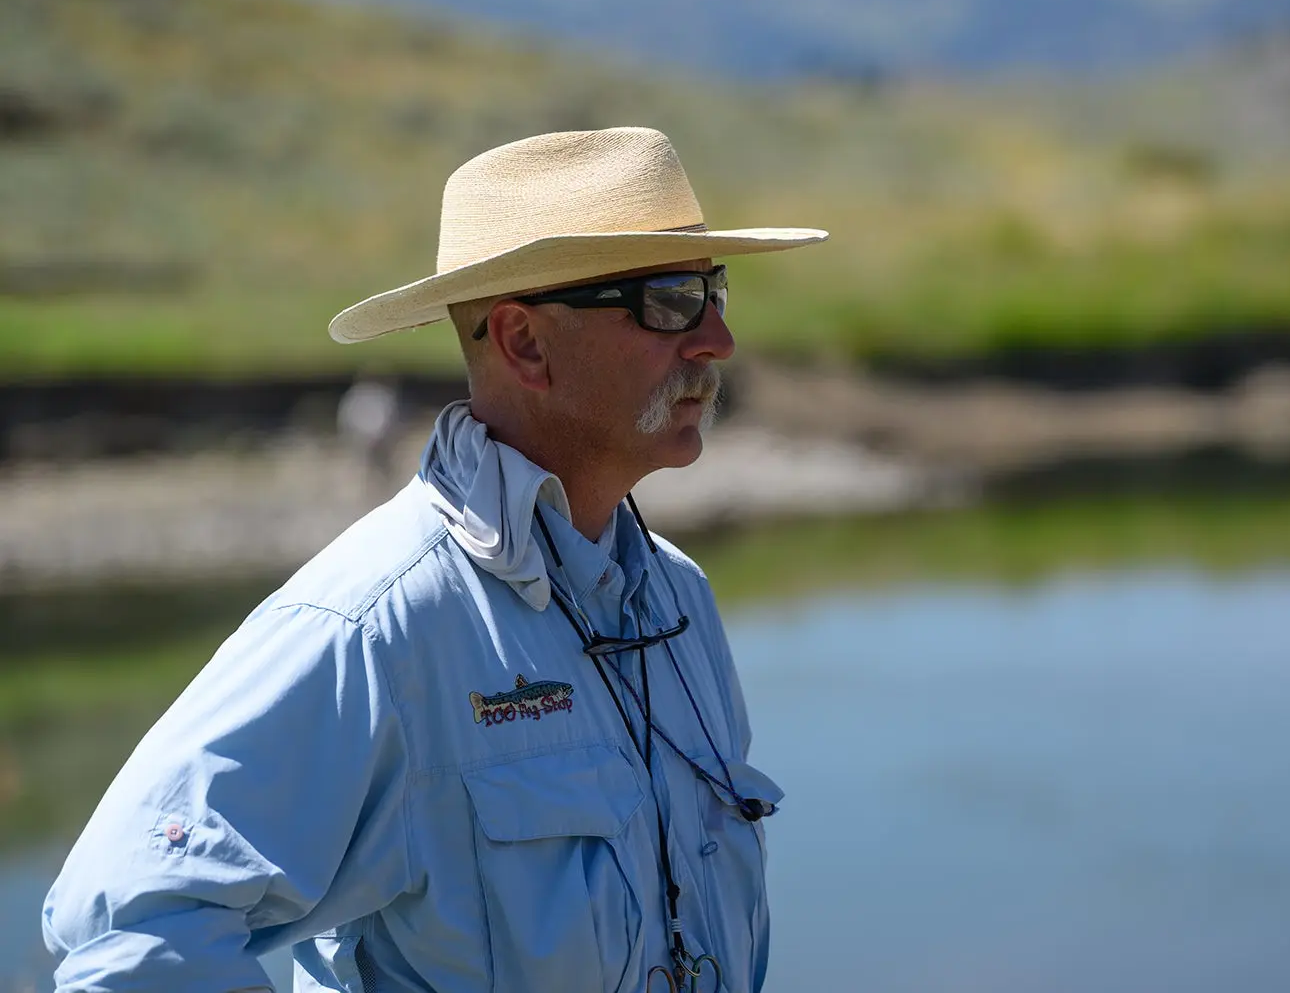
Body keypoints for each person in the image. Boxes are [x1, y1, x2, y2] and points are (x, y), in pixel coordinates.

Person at [42, 127, 827, 992]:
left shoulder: (678, 598)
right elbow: (137, 937)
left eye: (713, 290)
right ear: (525, 343)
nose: (715, 337)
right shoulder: (375, 625)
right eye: (670, 299)